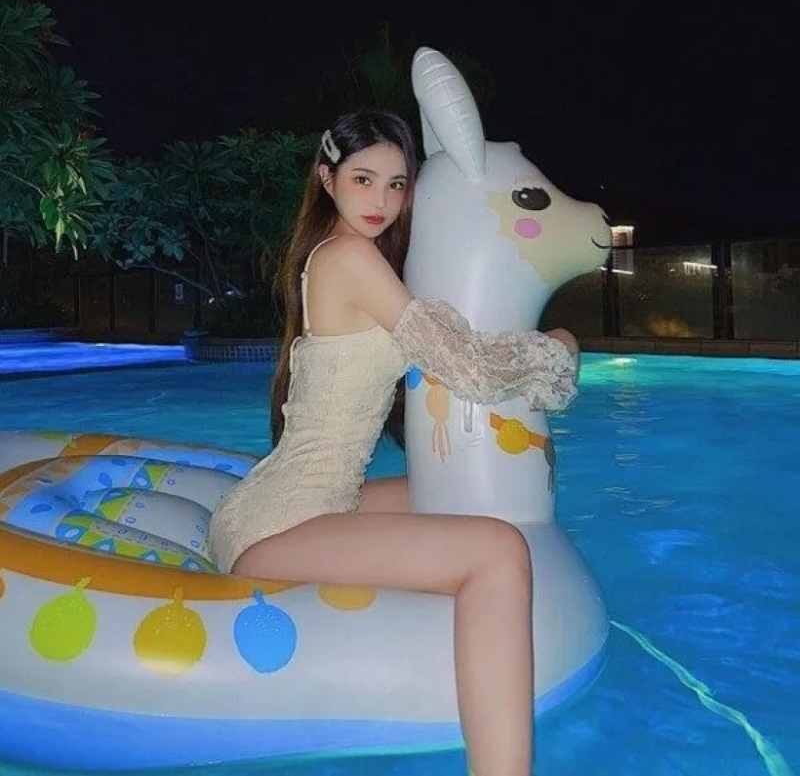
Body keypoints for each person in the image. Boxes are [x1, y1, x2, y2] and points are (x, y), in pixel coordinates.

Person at [208, 108, 580, 776]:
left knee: (460, 490)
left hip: (310, 500)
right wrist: (558, 348)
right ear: (327, 179)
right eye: (363, 179)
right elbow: (464, 364)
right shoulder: (349, 257)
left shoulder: (349, 256)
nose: (381, 199)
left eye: (397, 184)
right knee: (498, 550)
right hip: (279, 526)